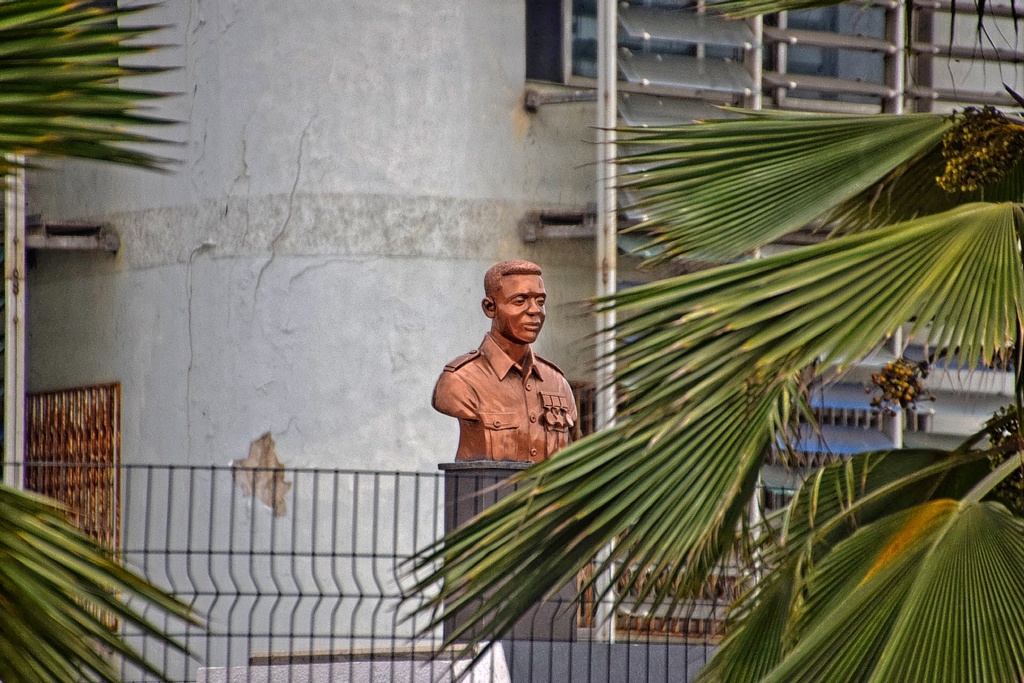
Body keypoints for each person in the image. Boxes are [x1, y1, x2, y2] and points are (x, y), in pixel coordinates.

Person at [433, 260, 577, 462]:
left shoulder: (557, 383)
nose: (535, 310)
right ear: (490, 308)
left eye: (540, 301)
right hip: (488, 492)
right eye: (520, 301)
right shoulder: (460, 381)